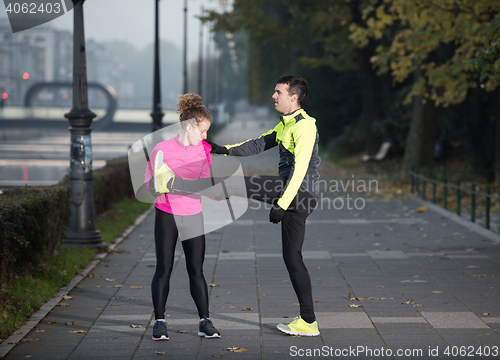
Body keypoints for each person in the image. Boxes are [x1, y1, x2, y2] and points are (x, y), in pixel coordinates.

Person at [155, 75, 321, 336]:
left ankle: (174, 183)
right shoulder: (285, 125)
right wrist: (225, 150)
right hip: (294, 197)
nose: (274, 96)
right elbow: (257, 144)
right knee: (292, 258)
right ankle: (308, 321)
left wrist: (281, 203)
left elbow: (300, 169)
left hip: (298, 193)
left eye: (279, 92)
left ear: (294, 97)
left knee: (236, 183)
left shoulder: (305, 125)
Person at [144, 94, 221, 341]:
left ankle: (204, 321)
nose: (206, 136)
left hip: (193, 216)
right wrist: (157, 186)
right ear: (189, 127)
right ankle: (159, 322)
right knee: (163, 269)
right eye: (203, 131)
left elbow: (205, 182)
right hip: (167, 214)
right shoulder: (161, 150)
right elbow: (148, 184)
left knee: (196, 270)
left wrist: (217, 192)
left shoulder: (204, 151)